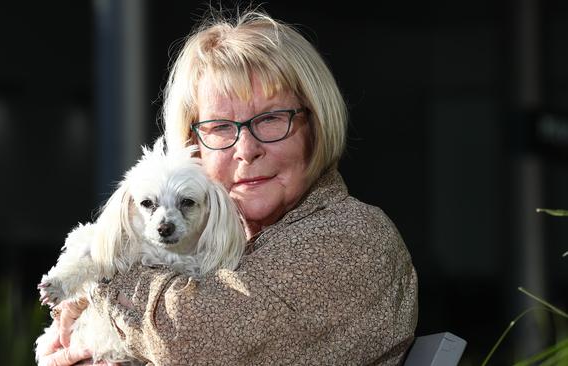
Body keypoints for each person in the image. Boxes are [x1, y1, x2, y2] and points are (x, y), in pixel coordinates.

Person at [39, 8, 418, 366]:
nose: (246, 150)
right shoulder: (224, 244)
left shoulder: (351, 236)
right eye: (220, 127)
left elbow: (192, 338)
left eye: (271, 119)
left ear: (315, 126)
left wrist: (98, 280)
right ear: (193, 145)